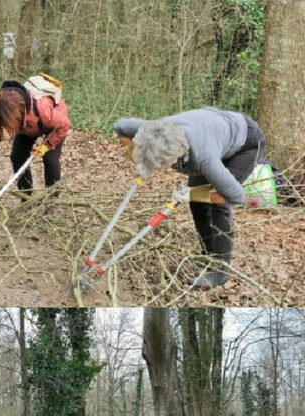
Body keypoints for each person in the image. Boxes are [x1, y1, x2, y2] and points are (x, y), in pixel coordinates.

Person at [114, 108, 266, 289]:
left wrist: (191, 194)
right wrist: (135, 154)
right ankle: (207, 257)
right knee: (198, 204)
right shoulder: (152, 128)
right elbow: (120, 127)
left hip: (245, 143)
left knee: (217, 205)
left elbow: (235, 196)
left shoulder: (204, 158)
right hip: (213, 128)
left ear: (175, 156)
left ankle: (220, 271)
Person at [0, 73, 71, 196]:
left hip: (53, 126)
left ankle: (52, 199)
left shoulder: (43, 111)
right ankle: (25, 196)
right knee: (17, 157)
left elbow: (64, 125)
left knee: (50, 159)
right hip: (26, 127)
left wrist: (47, 145)